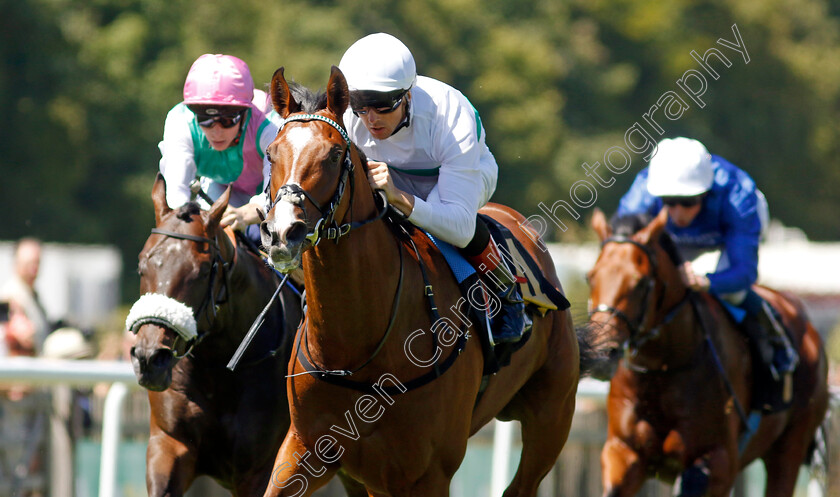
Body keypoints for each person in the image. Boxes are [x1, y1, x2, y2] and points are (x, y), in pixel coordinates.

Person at [338, 33, 528, 343]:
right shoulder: (350, 116)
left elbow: (461, 226)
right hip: (391, 178)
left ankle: (506, 292)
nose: (370, 118)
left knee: (444, 229)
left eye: (383, 105)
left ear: (407, 96)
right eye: (359, 103)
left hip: (460, 177)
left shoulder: (450, 115)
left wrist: (401, 199)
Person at [616, 137, 797, 409]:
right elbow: (620, 253)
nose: (677, 213)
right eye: (669, 201)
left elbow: (745, 273)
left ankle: (778, 347)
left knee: (734, 293)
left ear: (706, 192)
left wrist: (706, 281)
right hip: (672, 241)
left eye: (688, 202)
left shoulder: (738, 195)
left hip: (724, 237)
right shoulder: (643, 192)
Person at [158, 54, 278, 235]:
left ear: (245, 113)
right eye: (205, 119)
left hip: (267, 197)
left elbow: (279, 193)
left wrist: (245, 214)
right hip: (219, 187)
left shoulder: (270, 126)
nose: (216, 131)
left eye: (228, 119)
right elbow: (177, 194)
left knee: (264, 235)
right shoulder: (180, 121)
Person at [1, 238, 50, 358]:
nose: (33, 269)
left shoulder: (32, 294)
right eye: (28, 264)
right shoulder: (9, 296)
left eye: (37, 263)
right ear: (16, 263)